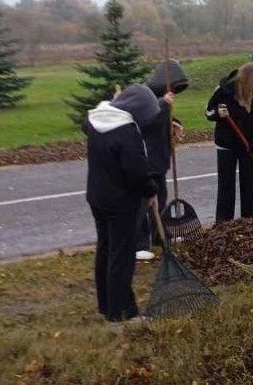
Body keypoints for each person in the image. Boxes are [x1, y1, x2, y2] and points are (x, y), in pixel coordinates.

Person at [84, 83, 160, 325]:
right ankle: (121, 314)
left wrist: (116, 101)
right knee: (122, 255)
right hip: (120, 203)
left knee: (105, 249)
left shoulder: (96, 120)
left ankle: (105, 306)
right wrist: (151, 191)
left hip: (97, 197)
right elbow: (136, 171)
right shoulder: (127, 133)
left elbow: (92, 121)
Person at [135, 59, 189, 261]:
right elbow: (145, 121)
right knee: (143, 203)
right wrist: (163, 105)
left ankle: (160, 236)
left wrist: (174, 123)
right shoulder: (147, 98)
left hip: (160, 160)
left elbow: (162, 121)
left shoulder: (160, 100)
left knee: (161, 200)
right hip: (147, 160)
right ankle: (140, 243)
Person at [206, 61, 253, 221]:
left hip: (248, 146)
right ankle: (223, 223)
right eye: (252, 83)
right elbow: (208, 113)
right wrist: (219, 113)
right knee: (226, 185)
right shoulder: (224, 92)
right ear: (243, 81)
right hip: (226, 145)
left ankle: (251, 221)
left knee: (250, 184)